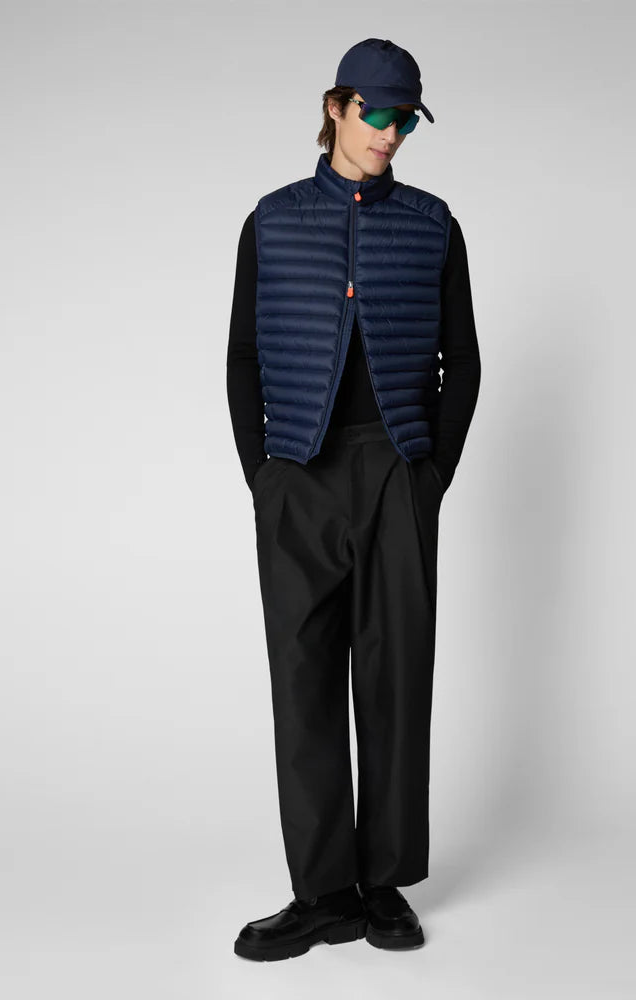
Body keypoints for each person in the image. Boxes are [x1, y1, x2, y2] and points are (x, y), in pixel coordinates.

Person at [226, 37, 481, 962]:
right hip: (298, 473)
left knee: (395, 677)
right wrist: (264, 477)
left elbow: (464, 362)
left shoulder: (433, 223)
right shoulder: (272, 220)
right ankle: (322, 892)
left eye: (405, 118)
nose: (390, 132)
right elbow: (242, 356)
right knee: (302, 683)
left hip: (397, 471)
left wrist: (430, 478)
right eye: (375, 113)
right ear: (334, 107)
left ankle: (384, 884)